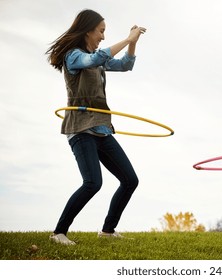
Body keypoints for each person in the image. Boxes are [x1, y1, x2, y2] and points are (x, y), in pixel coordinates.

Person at [46, 9, 146, 245]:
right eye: (101, 31)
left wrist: (133, 43)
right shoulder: (73, 56)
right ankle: (58, 233)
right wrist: (127, 39)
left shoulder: (97, 58)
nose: (102, 36)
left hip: (101, 128)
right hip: (80, 129)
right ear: (88, 30)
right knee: (93, 183)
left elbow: (125, 65)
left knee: (130, 180)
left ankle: (108, 231)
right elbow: (94, 59)